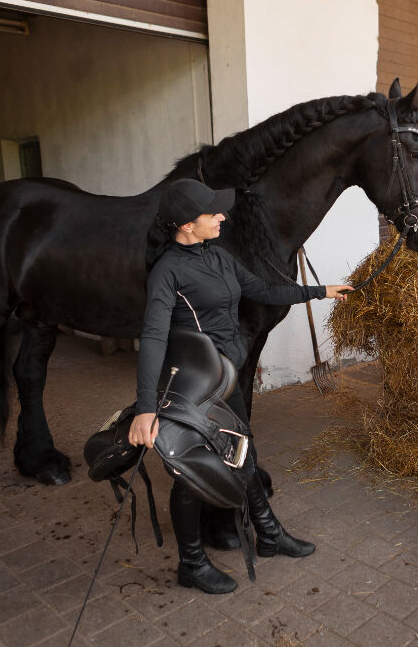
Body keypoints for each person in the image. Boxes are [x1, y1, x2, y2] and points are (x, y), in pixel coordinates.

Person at [128, 178, 353, 594]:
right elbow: (155, 338)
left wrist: (319, 291)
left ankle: (267, 533)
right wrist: (145, 408)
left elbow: (264, 289)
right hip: (195, 386)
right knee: (189, 473)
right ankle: (191, 564)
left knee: (243, 451)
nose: (222, 216)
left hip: (225, 376)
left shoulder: (219, 256)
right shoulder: (167, 271)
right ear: (185, 225)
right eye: (212, 212)